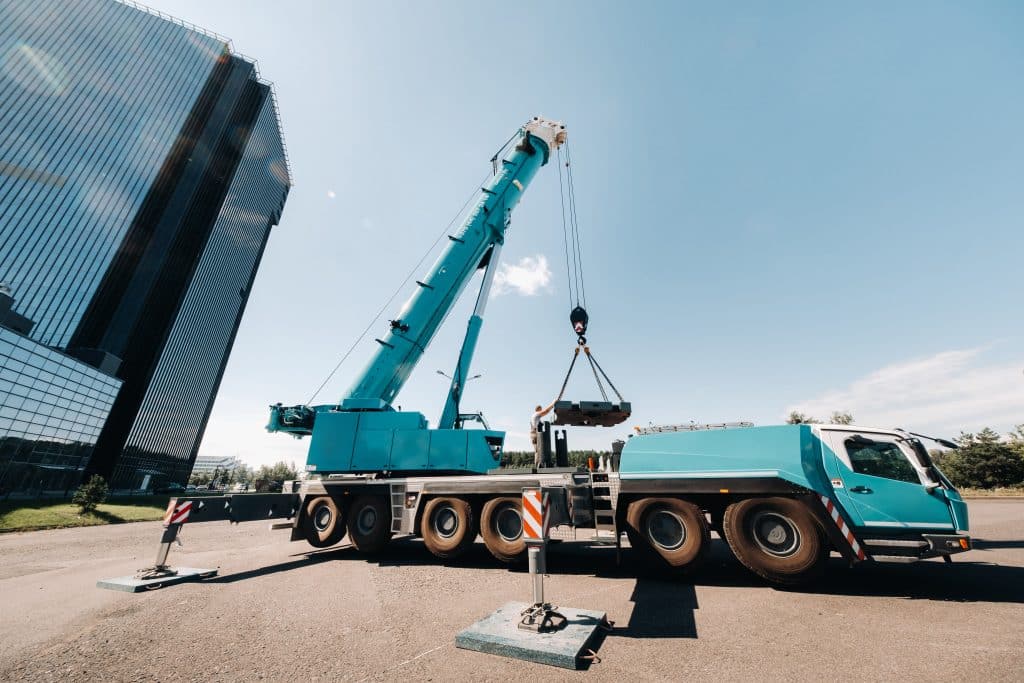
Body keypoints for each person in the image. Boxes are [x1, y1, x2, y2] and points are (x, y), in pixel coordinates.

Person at [531, 401, 556, 467]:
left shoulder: (536, 417)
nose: (541, 410)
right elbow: (546, 411)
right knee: (538, 450)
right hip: (535, 433)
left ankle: (540, 465)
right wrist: (553, 403)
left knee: (539, 450)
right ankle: (538, 466)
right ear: (537, 410)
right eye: (540, 409)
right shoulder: (536, 414)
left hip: (535, 433)